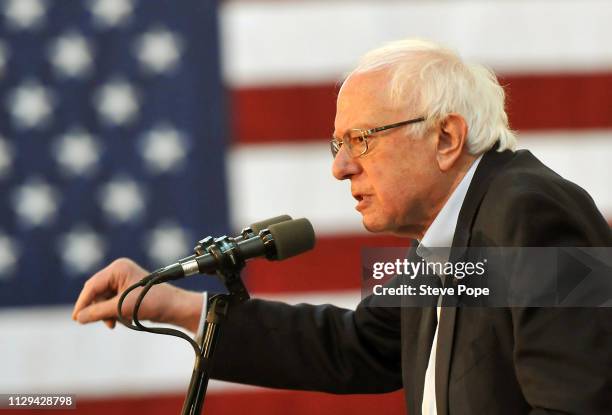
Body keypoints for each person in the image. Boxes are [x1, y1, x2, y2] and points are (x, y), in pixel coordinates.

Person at [72, 39, 612, 414]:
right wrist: (177, 307)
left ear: (447, 138)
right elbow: (359, 346)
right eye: (339, 144)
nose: (341, 167)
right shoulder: (450, 238)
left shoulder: (531, 213)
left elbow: (581, 404)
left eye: (362, 139)